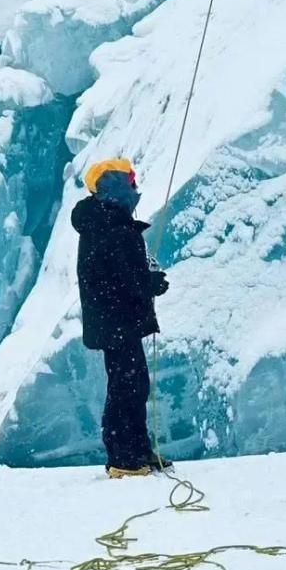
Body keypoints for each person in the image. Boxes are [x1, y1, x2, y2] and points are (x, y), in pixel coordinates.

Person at [71, 158, 170, 479]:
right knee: (127, 387)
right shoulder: (114, 227)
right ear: (115, 187)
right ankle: (125, 458)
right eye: (130, 183)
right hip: (118, 321)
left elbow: (117, 276)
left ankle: (135, 451)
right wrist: (154, 282)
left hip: (112, 320)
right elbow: (132, 281)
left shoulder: (101, 223)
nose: (135, 189)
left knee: (130, 384)